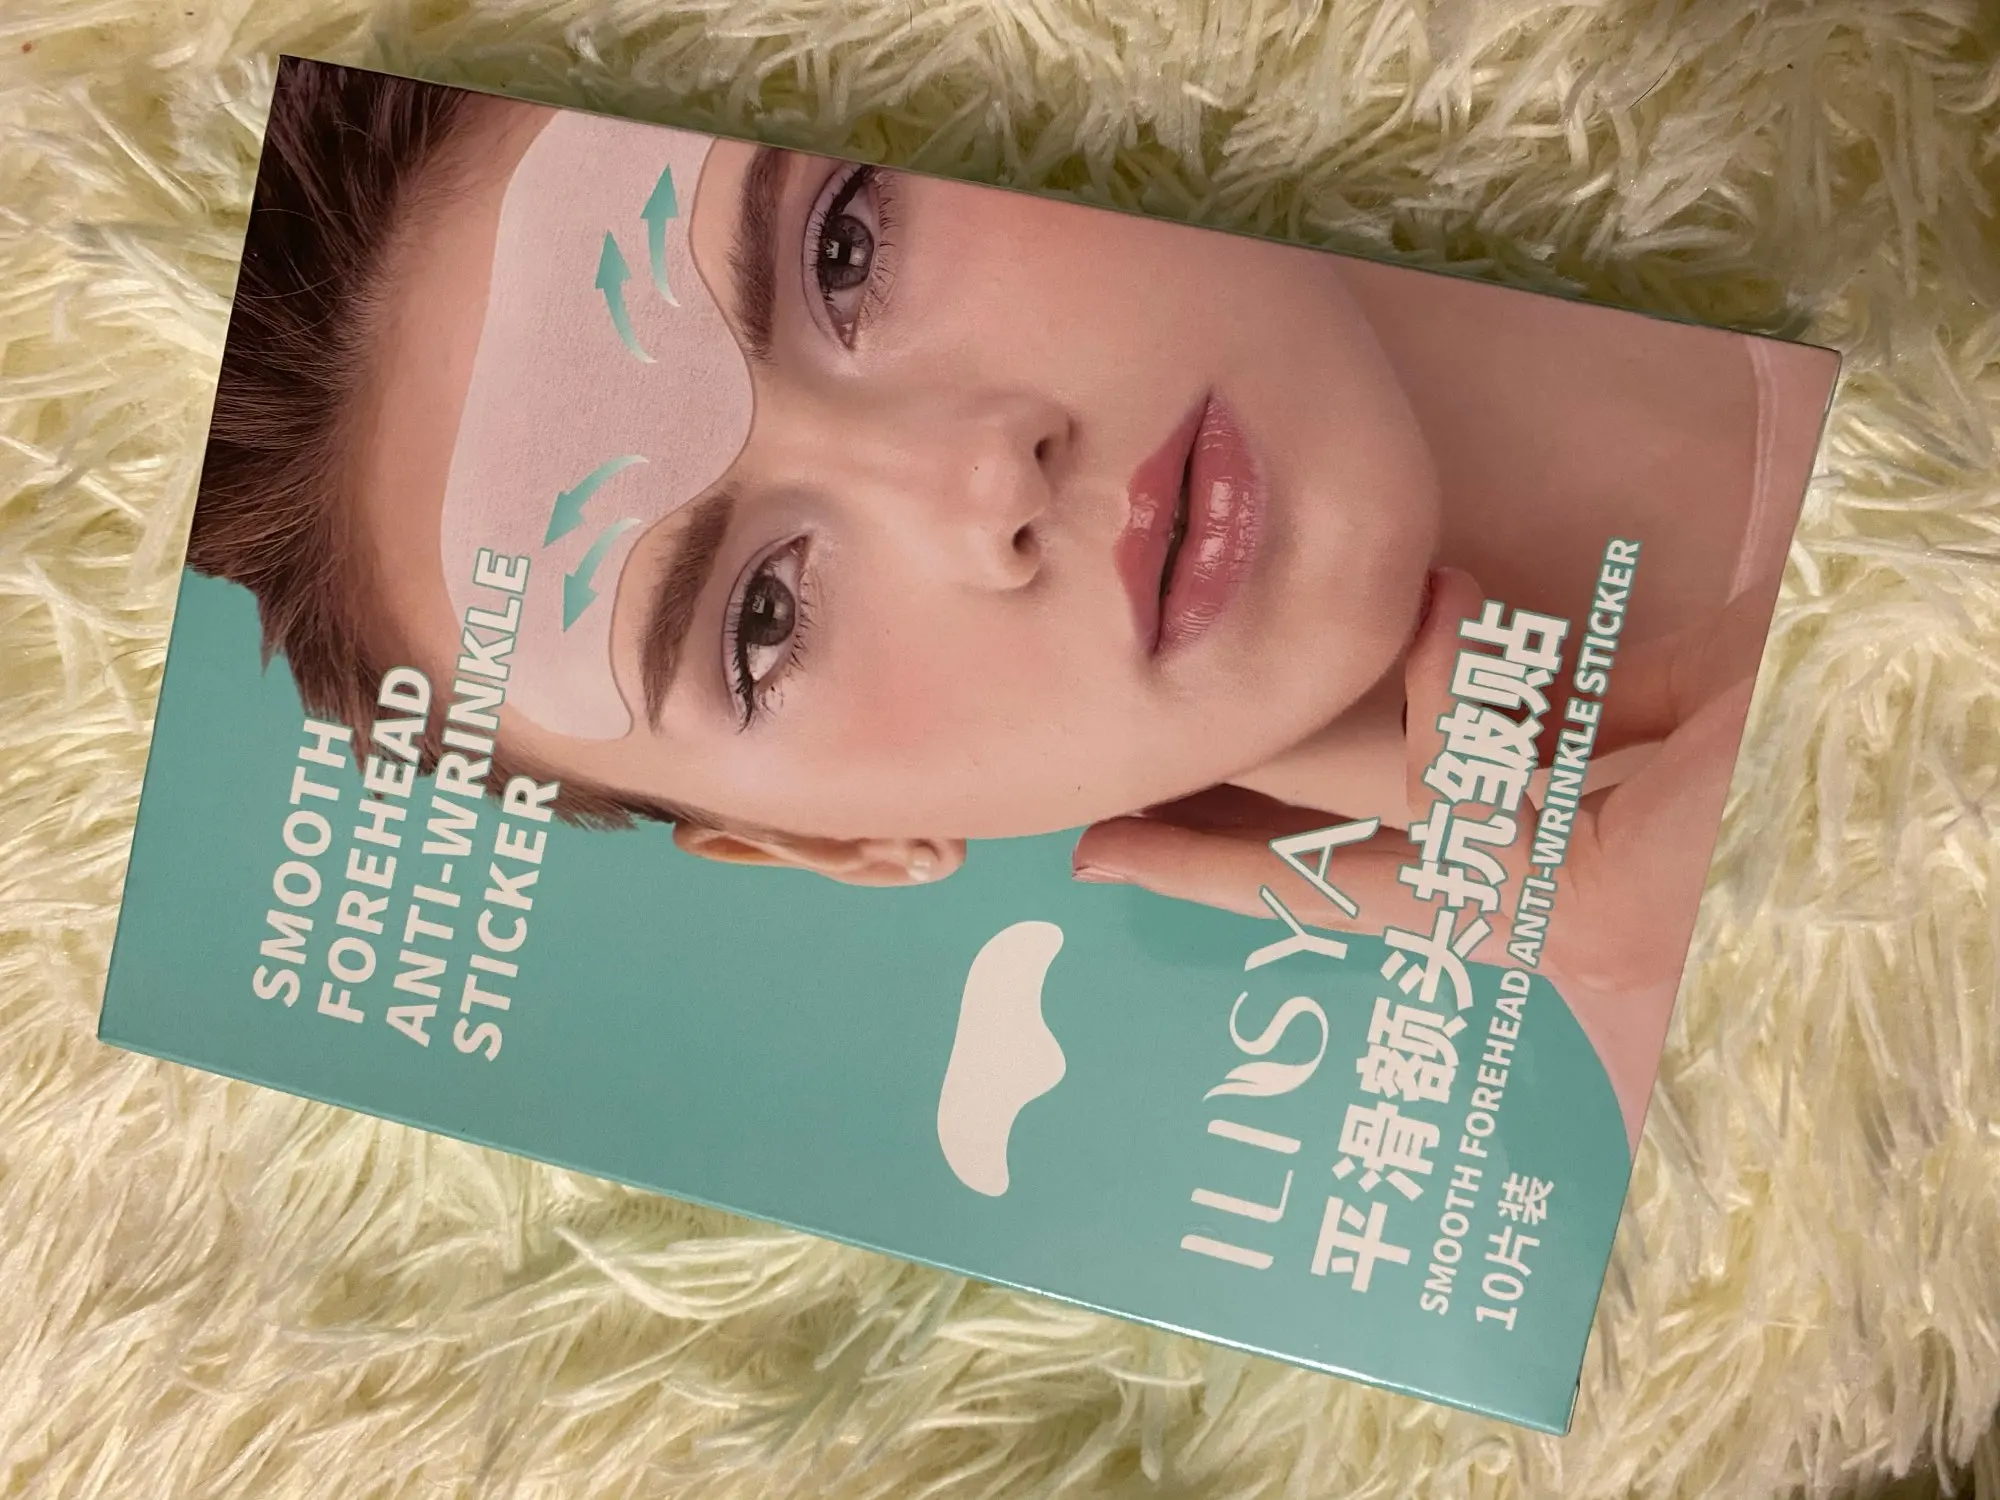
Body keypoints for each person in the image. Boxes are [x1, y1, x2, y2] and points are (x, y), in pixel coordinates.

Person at [192, 60, 1835, 1142]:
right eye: (759, 620)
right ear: (844, 848)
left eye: (842, 248)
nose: (981, 479)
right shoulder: (1761, 1194)